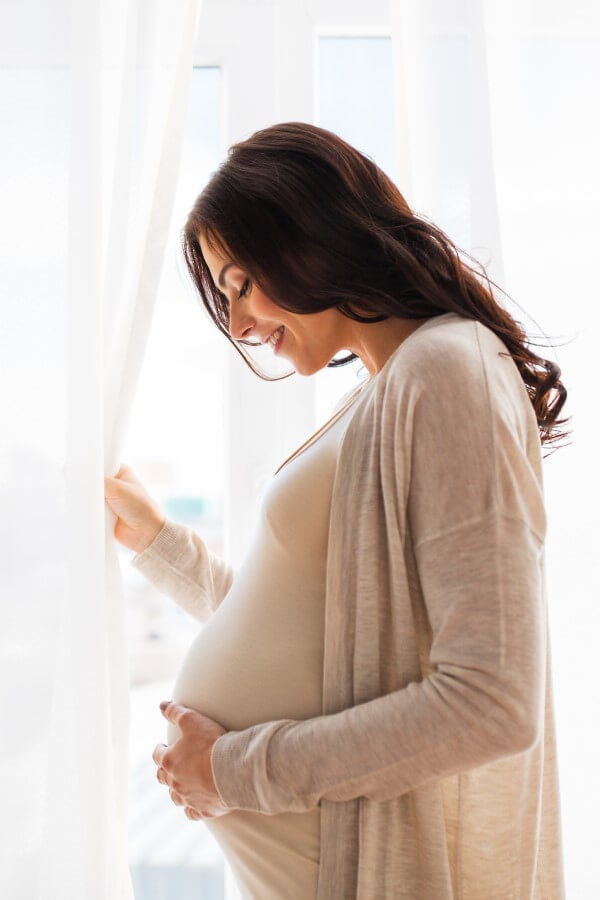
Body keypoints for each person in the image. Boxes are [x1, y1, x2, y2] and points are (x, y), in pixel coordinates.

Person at [104, 122, 570, 899]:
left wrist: (233, 772)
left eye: (241, 283)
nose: (241, 327)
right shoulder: (389, 391)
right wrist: (158, 544)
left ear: (309, 234)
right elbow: (325, 640)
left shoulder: (447, 371)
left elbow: (493, 703)